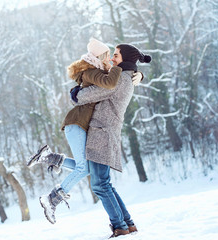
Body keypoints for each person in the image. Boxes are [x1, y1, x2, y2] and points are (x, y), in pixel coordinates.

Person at [27, 38, 143, 225]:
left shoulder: (115, 76)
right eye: (109, 55)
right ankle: (54, 197)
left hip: (95, 129)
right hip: (81, 124)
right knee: (96, 178)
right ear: (99, 57)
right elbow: (96, 90)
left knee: (95, 177)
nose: (112, 59)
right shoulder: (97, 72)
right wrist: (128, 71)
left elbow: (106, 87)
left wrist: (137, 73)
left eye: (114, 55)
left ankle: (51, 165)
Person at [73, 44, 151, 238]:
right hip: (105, 133)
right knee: (104, 183)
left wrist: (75, 92)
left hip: (102, 134)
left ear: (124, 59)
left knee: (100, 185)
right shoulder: (126, 77)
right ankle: (127, 224)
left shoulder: (120, 80)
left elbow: (85, 96)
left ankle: (120, 227)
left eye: (115, 55)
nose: (111, 59)